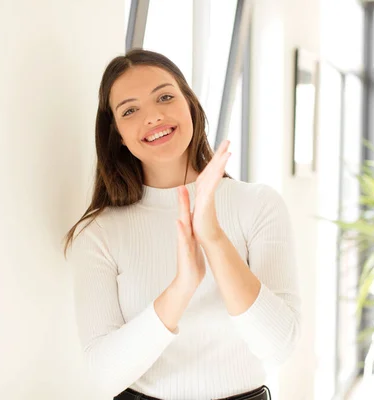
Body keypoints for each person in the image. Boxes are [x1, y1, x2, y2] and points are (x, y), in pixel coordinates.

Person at [64, 49, 300, 400]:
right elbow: (103, 376)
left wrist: (214, 239)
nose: (153, 116)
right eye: (130, 110)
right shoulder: (99, 233)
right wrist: (183, 286)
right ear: (117, 134)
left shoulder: (258, 205)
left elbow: (278, 347)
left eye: (165, 96)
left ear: (190, 104)